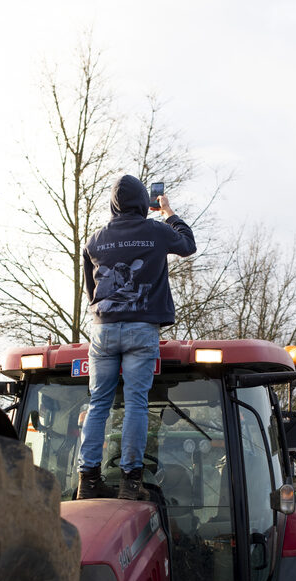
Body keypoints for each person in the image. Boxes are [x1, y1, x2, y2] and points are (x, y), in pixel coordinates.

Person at [76, 174, 196, 500]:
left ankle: (88, 480)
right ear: (144, 202)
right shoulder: (156, 231)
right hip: (141, 328)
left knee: (98, 403)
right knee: (136, 404)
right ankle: (130, 483)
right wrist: (168, 212)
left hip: (103, 328)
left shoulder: (95, 240)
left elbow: (91, 290)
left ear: (113, 204)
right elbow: (188, 245)